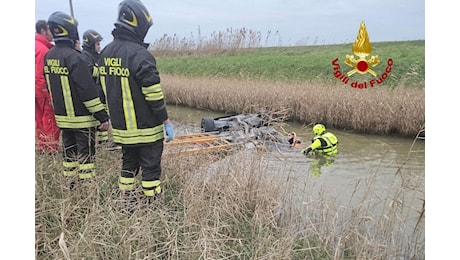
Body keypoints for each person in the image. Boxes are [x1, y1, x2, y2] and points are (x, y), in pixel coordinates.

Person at [98, 0, 174, 212]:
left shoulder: (105, 53)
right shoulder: (140, 55)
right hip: (146, 129)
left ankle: (127, 204)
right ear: (138, 25)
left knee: (128, 166)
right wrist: (165, 120)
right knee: (150, 170)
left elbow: (100, 90)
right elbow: (153, 94)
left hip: (122, 131)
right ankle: (153, 208)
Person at [44, 11, 110, 189]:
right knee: (86, 157)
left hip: (63, 120)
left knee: (68, 155)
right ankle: (86, 188)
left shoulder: (49, 56)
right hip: (82, 120)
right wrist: (102, 117)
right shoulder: (75, 58)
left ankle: (70, 185)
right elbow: (87, 92)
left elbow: (49, 87)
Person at [81, 29, 119, 150]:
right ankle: (102, 143)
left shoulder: (96, 56)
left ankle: (104, 142)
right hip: (95, 93)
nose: (99, 46)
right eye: (97, 44)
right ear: (90, 44)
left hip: (101, 92)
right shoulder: (85, 56)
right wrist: (103, 70)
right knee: (100, 118)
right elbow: (90, 71)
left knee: (105, 116)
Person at [35, 20, 61, 154]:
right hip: (41, 90)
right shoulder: (43, 49)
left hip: (35, 90)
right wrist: (48, 94)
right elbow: (40, 74)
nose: (53, 34)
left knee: (39, 119)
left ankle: (42, 146)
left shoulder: (35, 45)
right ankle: (51, 148)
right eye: (50, 31)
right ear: (43, 31)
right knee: (49, 119)